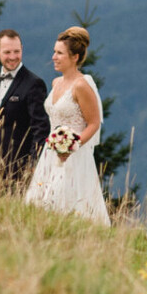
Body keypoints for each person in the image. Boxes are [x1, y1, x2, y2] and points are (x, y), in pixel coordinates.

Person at [24, 26, 110, 225]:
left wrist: (73, 145)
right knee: (41, 204)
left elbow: (94, 122)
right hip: (51, 151)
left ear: (75, 57)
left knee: (66, 205)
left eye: (60, 53)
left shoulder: (81, 86)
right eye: (54, 52)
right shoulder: (55, 83)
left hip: (73, 155)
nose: (54, 57)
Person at [0, 29, 51, 179]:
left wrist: (32, 166)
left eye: (16, 51)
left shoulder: (34, 83)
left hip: (21, 167)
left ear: (22, 49)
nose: (12, 57)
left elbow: (41, 128)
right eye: (7, 52)